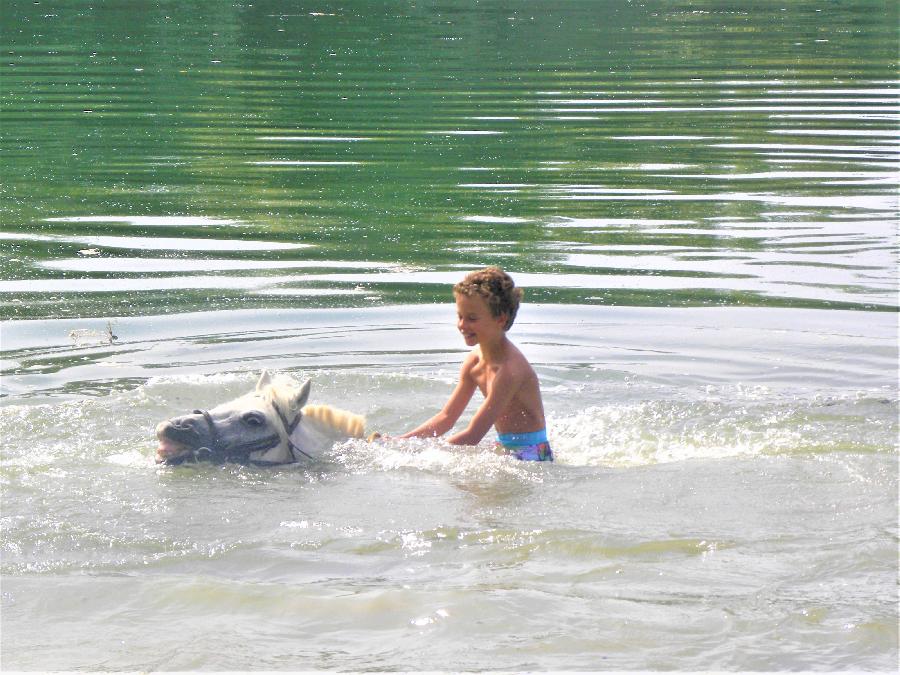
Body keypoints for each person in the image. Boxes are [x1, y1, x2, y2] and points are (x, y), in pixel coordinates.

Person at [399, 266, 552, 461]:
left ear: (500, 319)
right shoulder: (474, 362)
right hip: (503, 447)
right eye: (460, 316)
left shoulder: (510, 371)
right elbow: (446, 418)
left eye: (472, 318)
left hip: (533, 455)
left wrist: (421, 455)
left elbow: (473, 435)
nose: (462, 325)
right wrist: (399, 443)